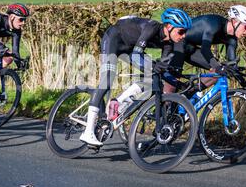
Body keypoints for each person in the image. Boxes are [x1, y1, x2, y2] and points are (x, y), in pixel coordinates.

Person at [79, 8, 192, 147]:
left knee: (153, 78)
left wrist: (178, 82)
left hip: (129, 49)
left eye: (185, 32)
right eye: (181, 31)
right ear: (169, 26)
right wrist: (153, 66)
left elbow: (162, 69)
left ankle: (118, 103)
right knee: (106, 81)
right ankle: (88, 131)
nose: (184, 35)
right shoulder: (152, 28)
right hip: (113, 40)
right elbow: (136, 55)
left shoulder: (169, 44)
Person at [165, 5, 246, 95]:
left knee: (219, 71)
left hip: (190, 48)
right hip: (178, 43)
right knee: (174, 77)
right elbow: (205, 49)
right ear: (235, 21)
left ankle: (189, 92)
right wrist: (217, 67)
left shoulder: (232, 40)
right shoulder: (215, 24)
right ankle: (165, 104)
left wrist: (243, 82)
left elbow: (232, 66)